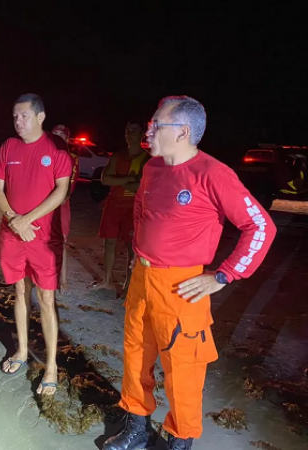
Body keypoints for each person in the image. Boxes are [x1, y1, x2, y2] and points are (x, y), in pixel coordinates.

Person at [102, 96, 276, 450]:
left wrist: (223, 275)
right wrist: (138, 255)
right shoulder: (151, 169)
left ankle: (179, 440)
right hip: (143, 280)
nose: (148, 130)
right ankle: (136, 425)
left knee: (182, 371)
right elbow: (141, 212)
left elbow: (261, 227)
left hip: (182, 287)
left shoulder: (213, 173)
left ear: (182, 132)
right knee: (136, 354)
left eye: (156, 124)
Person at [0, 94, 73, 395]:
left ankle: (51, 365)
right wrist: (14, 218)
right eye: (14, 117)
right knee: (20, 291)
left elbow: (61, 191)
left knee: (47, 299)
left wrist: (28, 220)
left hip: (42, 236)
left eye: (23, 116)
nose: (18, 122)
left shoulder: (56, 147)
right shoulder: (8, 147)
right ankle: (23, 350)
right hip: (12, 232)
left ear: (40, 117)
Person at [92, 122, 150, 294]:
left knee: (130, 247)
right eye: (127, 131)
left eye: (133, 131)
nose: (129, 134)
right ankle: (107, 281)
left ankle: (128, 284)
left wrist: (118, 179)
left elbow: (139, 186)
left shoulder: (147, 159)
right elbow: (104, 179)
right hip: (113, 204)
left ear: (142, 135)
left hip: (133, 207)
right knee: (109, 243)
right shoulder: (117, 156)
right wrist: (127, 180)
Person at [51, 124, 79, 294]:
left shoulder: (72, 157)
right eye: (54, 134)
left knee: (61, 241)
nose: (57, 137)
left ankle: (63, 279)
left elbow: (69, 186)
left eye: (61, 135)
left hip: (61, 204)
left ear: (67, 139)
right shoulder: (43, 154)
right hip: (42, 204)